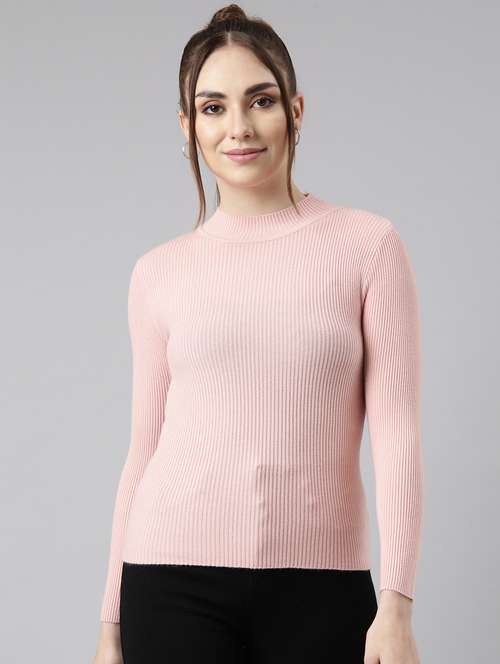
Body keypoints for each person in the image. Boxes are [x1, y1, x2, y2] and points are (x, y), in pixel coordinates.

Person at [93, 4, 423, 663]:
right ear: (188, 127)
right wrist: (110, 627)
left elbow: (397, 436)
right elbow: (144, 450)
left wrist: (396, 604)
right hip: (168, 580)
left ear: (296, 110)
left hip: (322, 586)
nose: (238, 127)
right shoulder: (158, 272)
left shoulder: (368, 246)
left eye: (261, 100)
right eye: (213, 108)